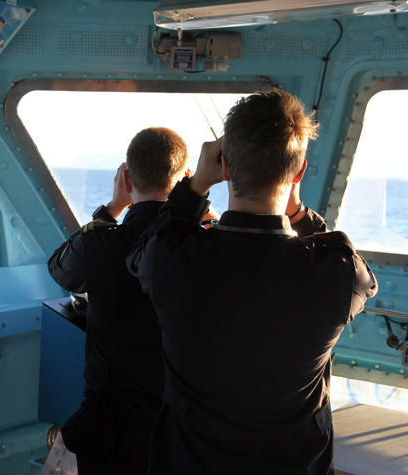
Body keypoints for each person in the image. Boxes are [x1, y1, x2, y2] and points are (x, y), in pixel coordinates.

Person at [127, 90, 378, 474]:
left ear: (225, 167)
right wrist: (297, 209)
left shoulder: (171, 260)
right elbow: (357, 272)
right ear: (298, 172)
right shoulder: (338, 275)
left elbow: (142, 249)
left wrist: (196, 186)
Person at [48, 127, 216, 474]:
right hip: (185, 435)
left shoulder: (101, 245)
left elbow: (59, 267)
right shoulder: (207, 247)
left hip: (113, 436)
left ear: (126, 178)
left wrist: (111, 209)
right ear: (186, 176)